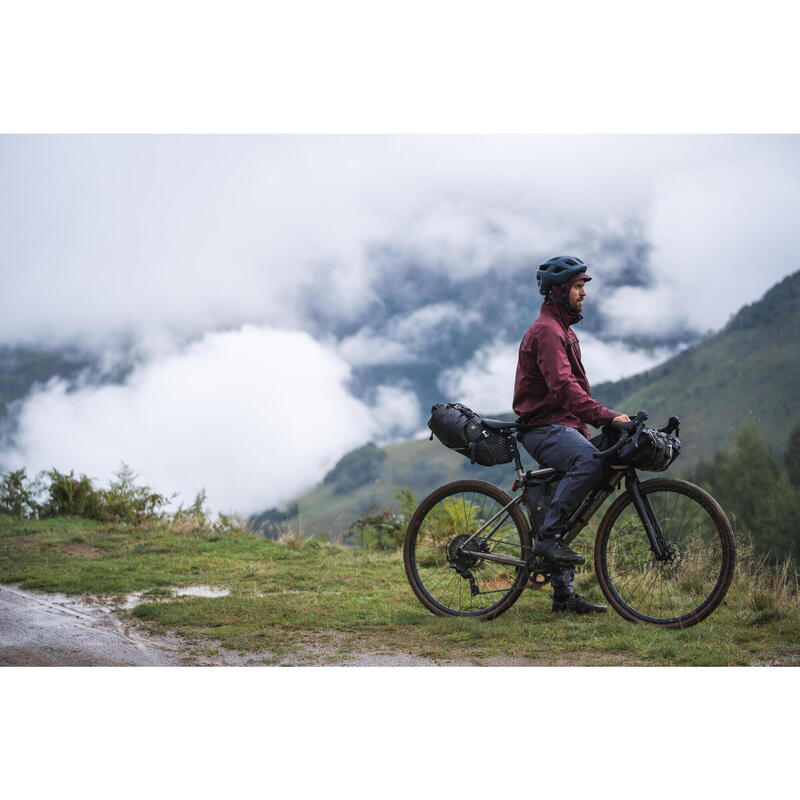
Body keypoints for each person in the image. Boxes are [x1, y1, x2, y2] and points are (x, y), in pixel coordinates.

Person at [513, 255, 630, 614]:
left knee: (568, 494)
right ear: (558, 290)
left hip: (562, 425)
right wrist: (607, 418)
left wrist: (591, 423)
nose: (584, 293)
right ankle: (547, 540)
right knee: (587, 462)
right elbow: (564, 389)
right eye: (579, 286)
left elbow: (574, 390)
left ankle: (563, 596)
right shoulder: (548, 331)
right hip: (542, 428)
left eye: (583, 286)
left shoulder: (564, 329)